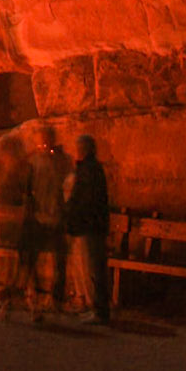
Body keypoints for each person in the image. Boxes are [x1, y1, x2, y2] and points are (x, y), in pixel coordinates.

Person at [19, 126, 70, 320]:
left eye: (46, 140)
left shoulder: (61, 162)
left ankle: (54, 299)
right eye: (41, 141)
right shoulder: (35, 162)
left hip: (54, 219)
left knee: (58, 261)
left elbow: (66, 188)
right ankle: (35, 298)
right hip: (41, 219)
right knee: (33, 260)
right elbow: (28, 190)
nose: (44, 144)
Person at [64, 133, 112, 325]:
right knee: (93, 268)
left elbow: (85, 199)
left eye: (79, 147)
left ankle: (99, 311)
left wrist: (71, 213)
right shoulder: (90, 168)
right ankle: (97, 308)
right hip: (92, 225)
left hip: (91, 225)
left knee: (95, 269)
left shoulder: (89, 170)